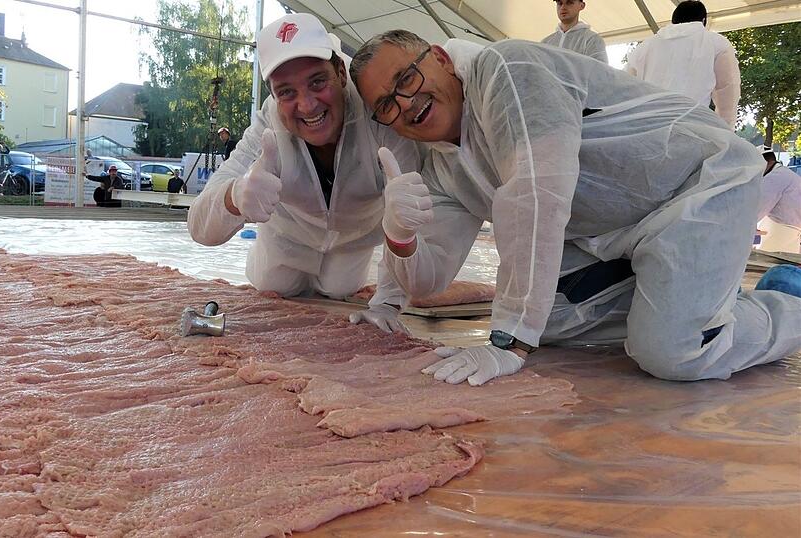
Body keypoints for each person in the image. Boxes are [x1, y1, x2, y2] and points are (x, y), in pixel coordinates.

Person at [348, 30, 801, 386]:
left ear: (441, 59)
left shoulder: (506, 68)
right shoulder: (442, 164)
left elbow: (536, 195)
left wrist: (509, 341)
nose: (406, 104)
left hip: (695, 185)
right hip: (611, 232)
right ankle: (693, 296)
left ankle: (784, 305)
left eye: (406, 79)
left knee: (673, 352)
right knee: (552, 320)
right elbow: (430, 279)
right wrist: (401, 237)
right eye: (386, 105)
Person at [187, 13, 419, 334]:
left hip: (354, 240)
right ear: (272, 94)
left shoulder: (376, 110)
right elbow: (199, 225)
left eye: (317, 82)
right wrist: (234, 196)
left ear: (340, 71)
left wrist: (390, 301)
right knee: (275, 283)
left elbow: (415, 213)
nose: (307, 106)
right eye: (286, 92)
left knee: (340, 288)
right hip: (287, 237)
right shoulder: (269, 123)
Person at [626, 0, 740, 129]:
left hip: (647, 128)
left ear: (673, 20)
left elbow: (627, 90)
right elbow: (727, 93)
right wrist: (725, 131)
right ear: (703, 21)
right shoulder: (716, 43)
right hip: (691, 127)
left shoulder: (644, 47)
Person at [755, 145, 801, 253]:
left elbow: (755, 210)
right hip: (786, 231)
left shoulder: (776, 176)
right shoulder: (784, 174)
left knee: (767, 265)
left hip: (783, 232)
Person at [541, 0, 608, 63]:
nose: (563, 7)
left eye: (569, 2)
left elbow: (600, 71)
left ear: (582, 6)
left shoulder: (592, 40)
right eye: (560, 3)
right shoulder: (545, 43)